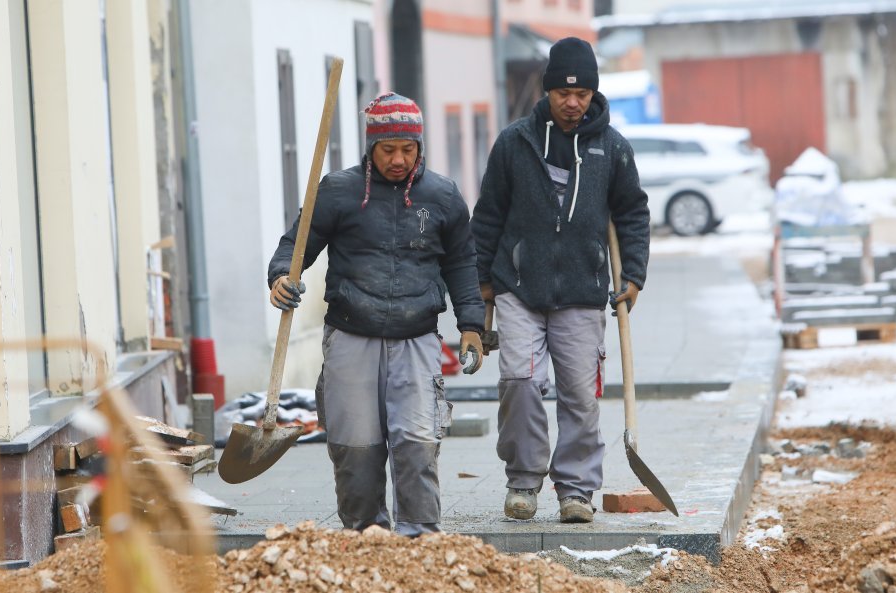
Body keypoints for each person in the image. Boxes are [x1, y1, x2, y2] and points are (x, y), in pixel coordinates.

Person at [267, 92, 486, 537]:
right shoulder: (337, 192)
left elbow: (462, 264)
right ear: (371, 147)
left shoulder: (442, 197)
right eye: (389, 150)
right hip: (350, 337)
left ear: (420, 147)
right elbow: (296, 245)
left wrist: (471, 325)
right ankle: (365, 533)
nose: (399, 159)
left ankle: (421, 534)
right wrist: (279, 277)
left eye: (409, 149)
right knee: (355, 445)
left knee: (418, 442)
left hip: (417, 339)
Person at [471, 37, 650, 523]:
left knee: (579, 393)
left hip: (583, 291)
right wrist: (480, 282)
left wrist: (632, 274)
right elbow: (487, 216)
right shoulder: (514, 142)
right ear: (547, 91)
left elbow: (632, 212)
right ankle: (524, 482)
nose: (573, 104)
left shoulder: (612, 148)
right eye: (563, 94)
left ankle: (576, 490)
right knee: (521, 383)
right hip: (518, 287)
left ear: (593, 94)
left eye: (583, 95)